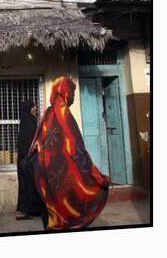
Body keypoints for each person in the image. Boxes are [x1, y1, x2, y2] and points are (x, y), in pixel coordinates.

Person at [28, 77, 111, 230]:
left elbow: (38, 142)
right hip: (60, 174)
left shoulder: (47, 112)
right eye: (72, 92)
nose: (73, 97)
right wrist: (94, 174)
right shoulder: (64, 115)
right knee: (66, 208)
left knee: (49, 211)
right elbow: (76, 148)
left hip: (43, 173)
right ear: (66, 93)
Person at [15, 100, 45, 220]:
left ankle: (28, 210)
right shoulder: (31, 121)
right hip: (29, 159)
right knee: (30, 183)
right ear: (30, 109)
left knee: (26, 184)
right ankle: (23, 211)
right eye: (34, 106)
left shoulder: (24, 121)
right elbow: (34, 141)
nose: (36, 108)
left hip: (22, 158)